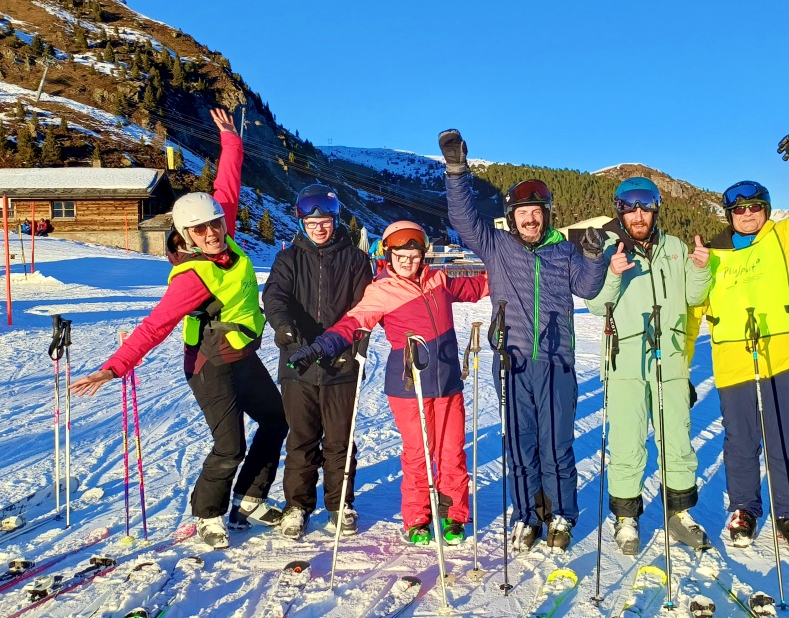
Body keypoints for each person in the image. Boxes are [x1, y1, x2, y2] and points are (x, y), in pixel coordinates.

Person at [69, 109, 289, 550]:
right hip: (210, 366)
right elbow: (154, 327)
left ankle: (248, 497)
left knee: (276, 421)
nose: (211, 232)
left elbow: (227, 185)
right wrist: (113, 369)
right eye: (200, 229)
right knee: (230, 446)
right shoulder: (191, 278)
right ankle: (208, 513)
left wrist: (231, 141)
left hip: (243, 357)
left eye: (215, 224)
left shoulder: (223, 230)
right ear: (186, 235)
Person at [438, 129, 606, 553]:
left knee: (557, 446)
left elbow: (586, 289)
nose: (530, 219)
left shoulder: (563, 251)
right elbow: (462, 218)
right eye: (522, 213)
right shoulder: (495, 246)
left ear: (547, 215)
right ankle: (527, 515)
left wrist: (591, 256)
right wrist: (457, 170)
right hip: (511, 361)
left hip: (556, 361)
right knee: (519, 444)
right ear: (511, 217)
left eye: (537, 212)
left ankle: (563, 515)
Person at [289, 221, 489, 546]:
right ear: (389, 255)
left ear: (422, 255)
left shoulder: (440, 279)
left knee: (451, 451)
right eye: (401, 255)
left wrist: (510, 270)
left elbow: (477, 286)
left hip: (448, 381)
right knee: (419, 452)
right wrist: (319, 347)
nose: (408, 261)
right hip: (409, 386)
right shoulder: (381, 290)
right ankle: (417, 518)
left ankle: (453, 515)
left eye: (413, 254)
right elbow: (352, 323)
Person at [696, 114, 789, 554]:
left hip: (780, 352)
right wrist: (680, 370)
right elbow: (692, 312)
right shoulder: (711, 256)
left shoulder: (785, 239)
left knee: (784, 436)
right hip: (733, 357)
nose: (747, 214)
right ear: (729, 214)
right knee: (740, 438)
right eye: (739, 208)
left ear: (765, 211)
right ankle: (744, 509)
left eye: (755, 207)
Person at [584, 177, 713, 555]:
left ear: (655, 209)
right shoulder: (610, 248)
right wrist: (612, 274)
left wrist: (701, 269)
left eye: (645, 208)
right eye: (630, 208)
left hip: (669, 354)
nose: (638, 215)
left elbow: (692, 296)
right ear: (620, 211)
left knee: (676, 437)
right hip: (624, 357)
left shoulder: (674, 247)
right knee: (626, 440)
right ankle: (627, 518)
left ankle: (680, 513)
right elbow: (595, 305)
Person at [262, 184, 373, 540]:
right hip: (298, 363)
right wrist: (284, 328)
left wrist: (352, 341)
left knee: (340, 440)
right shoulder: (288, 259)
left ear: (335, 220)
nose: (319, 228)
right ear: (301, 225)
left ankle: (340, 504)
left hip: (342, 363)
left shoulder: (355, 260)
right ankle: (297, 505)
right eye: (312, 224)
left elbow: (364, 308)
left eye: (325, 221)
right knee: (302, 439)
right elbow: (275, 297)